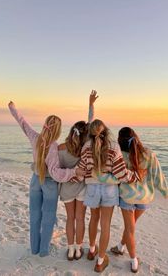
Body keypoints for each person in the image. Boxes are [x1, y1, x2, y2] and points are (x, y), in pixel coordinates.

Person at [8, 101, 84, 257]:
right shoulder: (54, 146)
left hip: (35, 180)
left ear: (44, 125)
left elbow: (22, 123)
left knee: (34, 215)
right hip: (49, 184)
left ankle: (34, 248)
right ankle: (43, 251)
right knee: (48, 217)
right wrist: (74, 172)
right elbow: (56, 173)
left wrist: (13, 108)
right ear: (58, 130)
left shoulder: (35, 137)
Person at [71, 120, 146, 273]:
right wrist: (136, 176)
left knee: (93, 219)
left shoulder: (86, 147)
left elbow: (81, 170)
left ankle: (92, 250)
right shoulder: (114, 146)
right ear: (106, 131)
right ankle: (100, 261)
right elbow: (121, 174)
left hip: (92, 187)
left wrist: (69, 178)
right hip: (109, 190)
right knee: (105, 225)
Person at [110, 127, 168, 273]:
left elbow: (115, 176)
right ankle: (120, 248)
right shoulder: (149, 154)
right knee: (131, 227)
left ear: (120, 140)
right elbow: (158, 175)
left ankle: (133, 260)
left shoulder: (120, 156)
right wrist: (165, 192)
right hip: (144, 198)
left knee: (130, 229)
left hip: (127, 197)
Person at [58, 90, 98, 261]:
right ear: (85, 134)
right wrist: (91, 104)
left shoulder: (60, 148)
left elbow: (56, 170)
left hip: (67, 188)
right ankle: (79, 248)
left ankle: (70, 249)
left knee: (70, 219)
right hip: (82, 187)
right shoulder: (86, 146)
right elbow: (91, 122)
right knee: (80, 218)